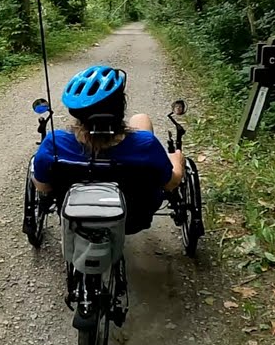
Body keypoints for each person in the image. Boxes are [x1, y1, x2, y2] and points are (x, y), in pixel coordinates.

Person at [31, 65, 184, 231]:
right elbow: (170, 184)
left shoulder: (55, 143)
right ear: (120, 107)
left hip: (74, 217)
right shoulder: (146, 144)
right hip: (132, 221)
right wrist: (177, 160)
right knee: (141, 119)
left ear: (76, 112)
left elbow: (43, 187)